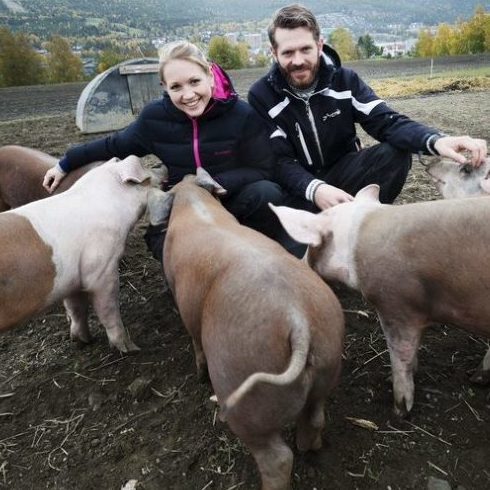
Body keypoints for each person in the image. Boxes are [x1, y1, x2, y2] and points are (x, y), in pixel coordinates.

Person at [248, 4, 488, 256]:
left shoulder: (345, 80)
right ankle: (317, 238)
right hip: (299, 188)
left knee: (395, 153)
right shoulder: (261, 95)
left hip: (343, 178)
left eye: (305, 49)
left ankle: (366, 230)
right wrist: (315, 188)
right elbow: (279, 160)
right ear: (274, 53)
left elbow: (386, 122)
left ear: (319, 45)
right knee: (287, 239)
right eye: (288, 52)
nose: (298, 61)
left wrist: (436, 140)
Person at [43, 41, 284, 262]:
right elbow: (112, 145)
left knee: (267, 193)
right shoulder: (154, 118)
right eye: (176, 86)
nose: (188, 95)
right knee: (163, 245)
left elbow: (262, 169)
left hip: (231, 201)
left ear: (210, 76)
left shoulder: (242, 115)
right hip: (183, 206)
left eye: (194, 81)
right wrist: (64, 164)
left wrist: (216, 182)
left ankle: (260, 256)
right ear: (164, 87)